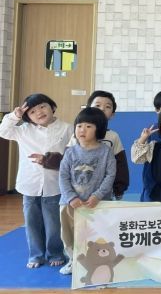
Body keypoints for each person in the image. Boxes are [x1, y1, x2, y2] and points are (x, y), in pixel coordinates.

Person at [0, 93, 72, 269]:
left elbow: (71, 154)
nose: (39, 112)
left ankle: (55, 253)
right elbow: (3, 131)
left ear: (52, 107)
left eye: (42, 106)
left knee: (54, 224)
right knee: (32, 223)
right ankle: (36, 255)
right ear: (27, 117)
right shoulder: (23, 130)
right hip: (29, 184)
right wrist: (15, 116)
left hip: (54, 184)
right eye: (32, 111)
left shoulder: (66, 128)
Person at [58, 107, 116, 275]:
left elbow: (110, 175)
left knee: (98, 233)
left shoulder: (106, 151)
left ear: (99, 129)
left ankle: (98, 261)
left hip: (98, 204)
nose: (82, 129)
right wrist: (70, 197)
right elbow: (63, 176)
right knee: (69, 234)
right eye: (79, 126)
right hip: (70, 204)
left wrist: (98, 195)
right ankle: (73, 260)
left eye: (88, 126)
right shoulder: (70, 152)